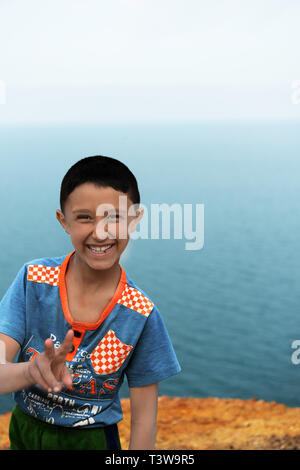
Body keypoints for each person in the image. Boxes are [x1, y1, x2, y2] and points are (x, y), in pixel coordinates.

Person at [0, 155, 181, 450]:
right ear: (64, 221)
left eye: (115, 218)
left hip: (93, 441)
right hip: (25, 432)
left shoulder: (140, 315)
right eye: (84, 217)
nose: (100, 232)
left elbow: (144, 424)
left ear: (135, 220)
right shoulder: (32, 281)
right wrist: (30, 371)